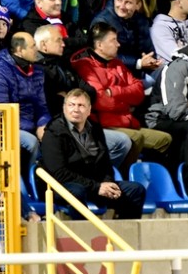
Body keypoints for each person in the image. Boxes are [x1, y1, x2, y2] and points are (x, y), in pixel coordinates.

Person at [72, 23, 172, 167]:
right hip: (105, 125)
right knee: (136, 138)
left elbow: (139, 92)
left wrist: (115, 92)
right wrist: (126, 103)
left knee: (165, 139)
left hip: (128, 122)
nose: (118, 44)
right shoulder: (85, 66)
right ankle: (125, 176)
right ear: (100, 45)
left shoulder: (117, 63)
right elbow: (101, 101)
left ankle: (152, 176)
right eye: (113, 40)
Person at [38, 89, 145, 219]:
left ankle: (125, 229)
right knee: (77, 192)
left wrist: (107, 183)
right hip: (61, 186)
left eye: (81, 105)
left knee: (135, 190)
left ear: (89, 110)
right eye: (71, 105)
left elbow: (105, 164)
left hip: (92, 185)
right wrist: (96, 187)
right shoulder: (53, 132)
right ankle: (84, 231)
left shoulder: (95, 129)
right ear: (64, 108)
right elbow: (59, 173)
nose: (76, 109)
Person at [0, 31, 48, 167]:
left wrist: (43, 125)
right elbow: (1, 110)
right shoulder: (0, 70)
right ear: (20, 50)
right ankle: (28, 175)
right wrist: (34, 127)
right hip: (8, 126)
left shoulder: (37, 69)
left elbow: (41, 106)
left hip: (32, 124)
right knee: (32, 142)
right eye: (33, 46)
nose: (36, 49)